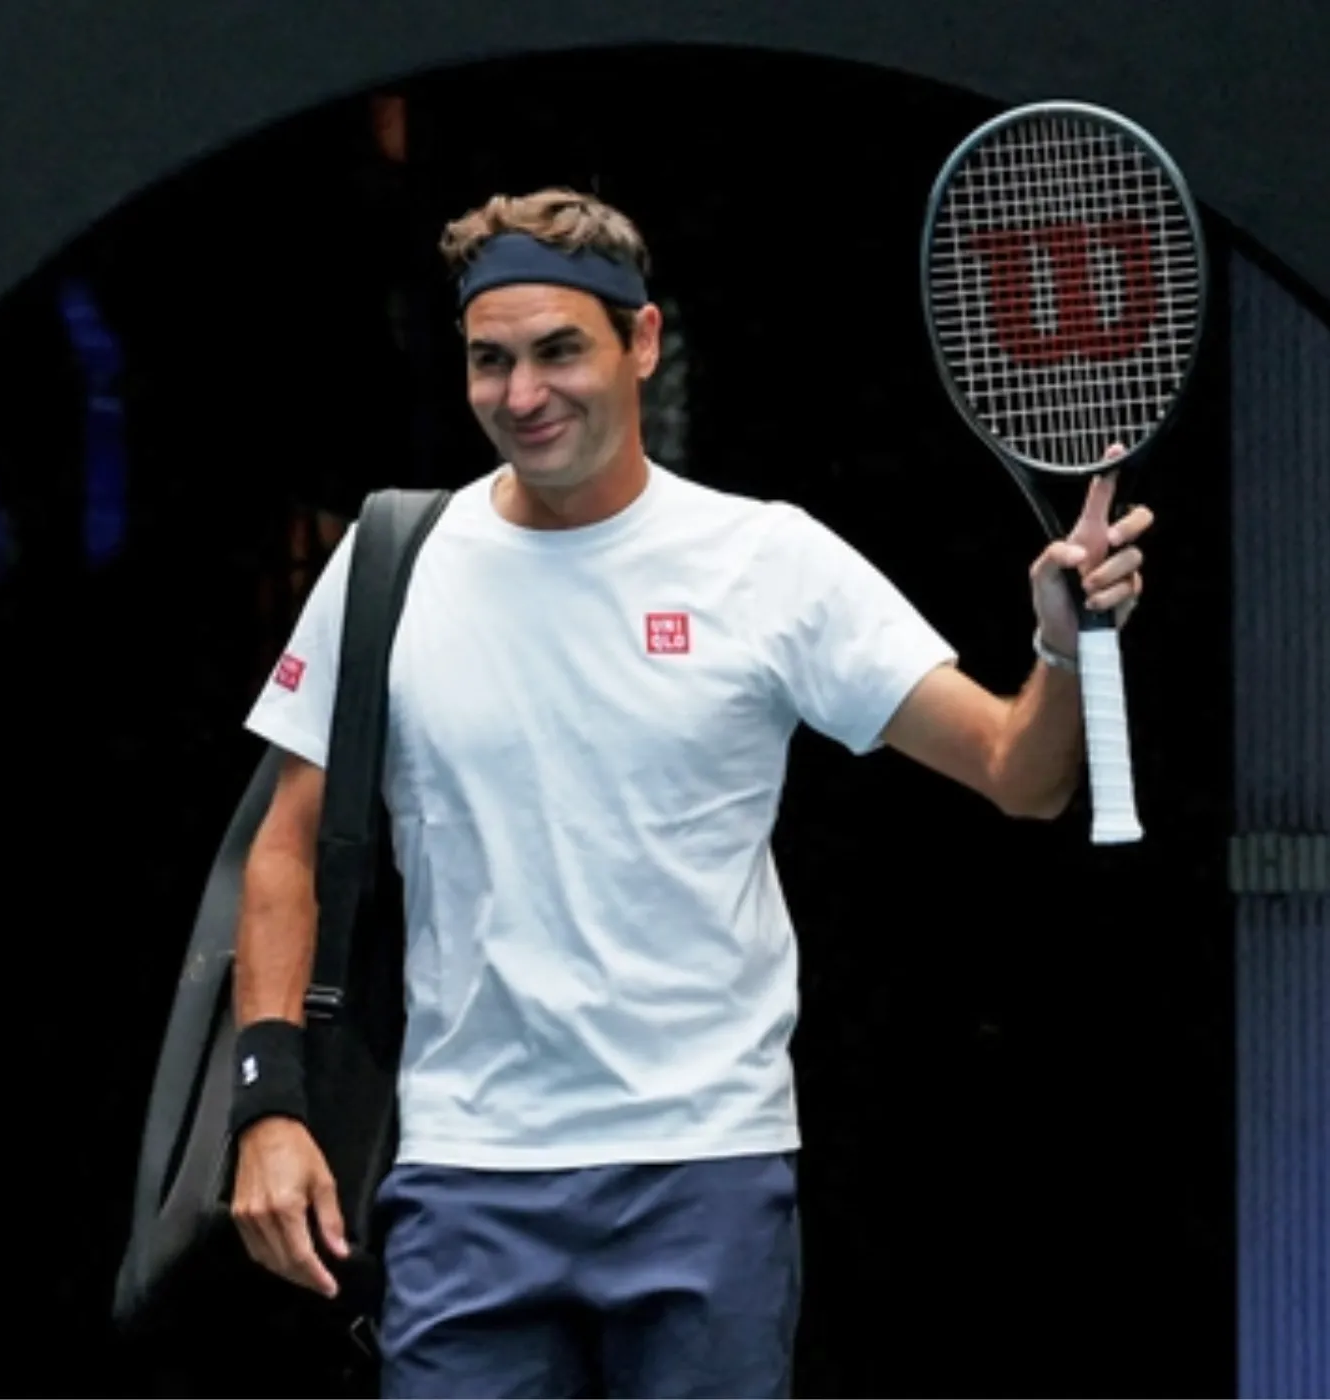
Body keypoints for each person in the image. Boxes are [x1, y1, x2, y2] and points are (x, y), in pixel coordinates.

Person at [229, 188, 1151, 1399]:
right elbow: (283, 848)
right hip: (464, 1172)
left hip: (705, 1171)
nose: (522, 393)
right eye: (490, 360)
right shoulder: (389, 562)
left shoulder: (766, 560)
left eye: (559, 350)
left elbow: (1017, 774)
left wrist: (1059, 647)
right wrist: (269, 1105)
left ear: (643, 341)